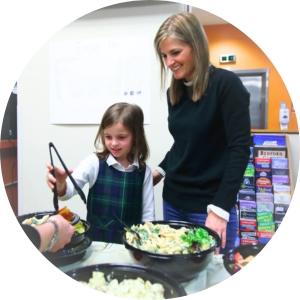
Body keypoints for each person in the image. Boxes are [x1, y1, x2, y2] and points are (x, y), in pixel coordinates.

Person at [152, 12, 251, 254]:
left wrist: (220, 209)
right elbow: (183, 143)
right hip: (173, 199)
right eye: (164, 56)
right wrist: (160, 170)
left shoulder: (226, 85)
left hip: (209, 206)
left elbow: (240, 149)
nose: (169, 62)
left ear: (196, 45)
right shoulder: (174, 93)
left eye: (175, 53)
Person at [46, 102, 155, 244]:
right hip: (96, 244)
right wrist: (60, 184)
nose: (114, 143)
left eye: (121, 137)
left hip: (130, 247)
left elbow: (148, 217)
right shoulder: (93, 163)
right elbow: (67, 192)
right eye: (108, 137)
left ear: (136, 136)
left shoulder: (144, 171)